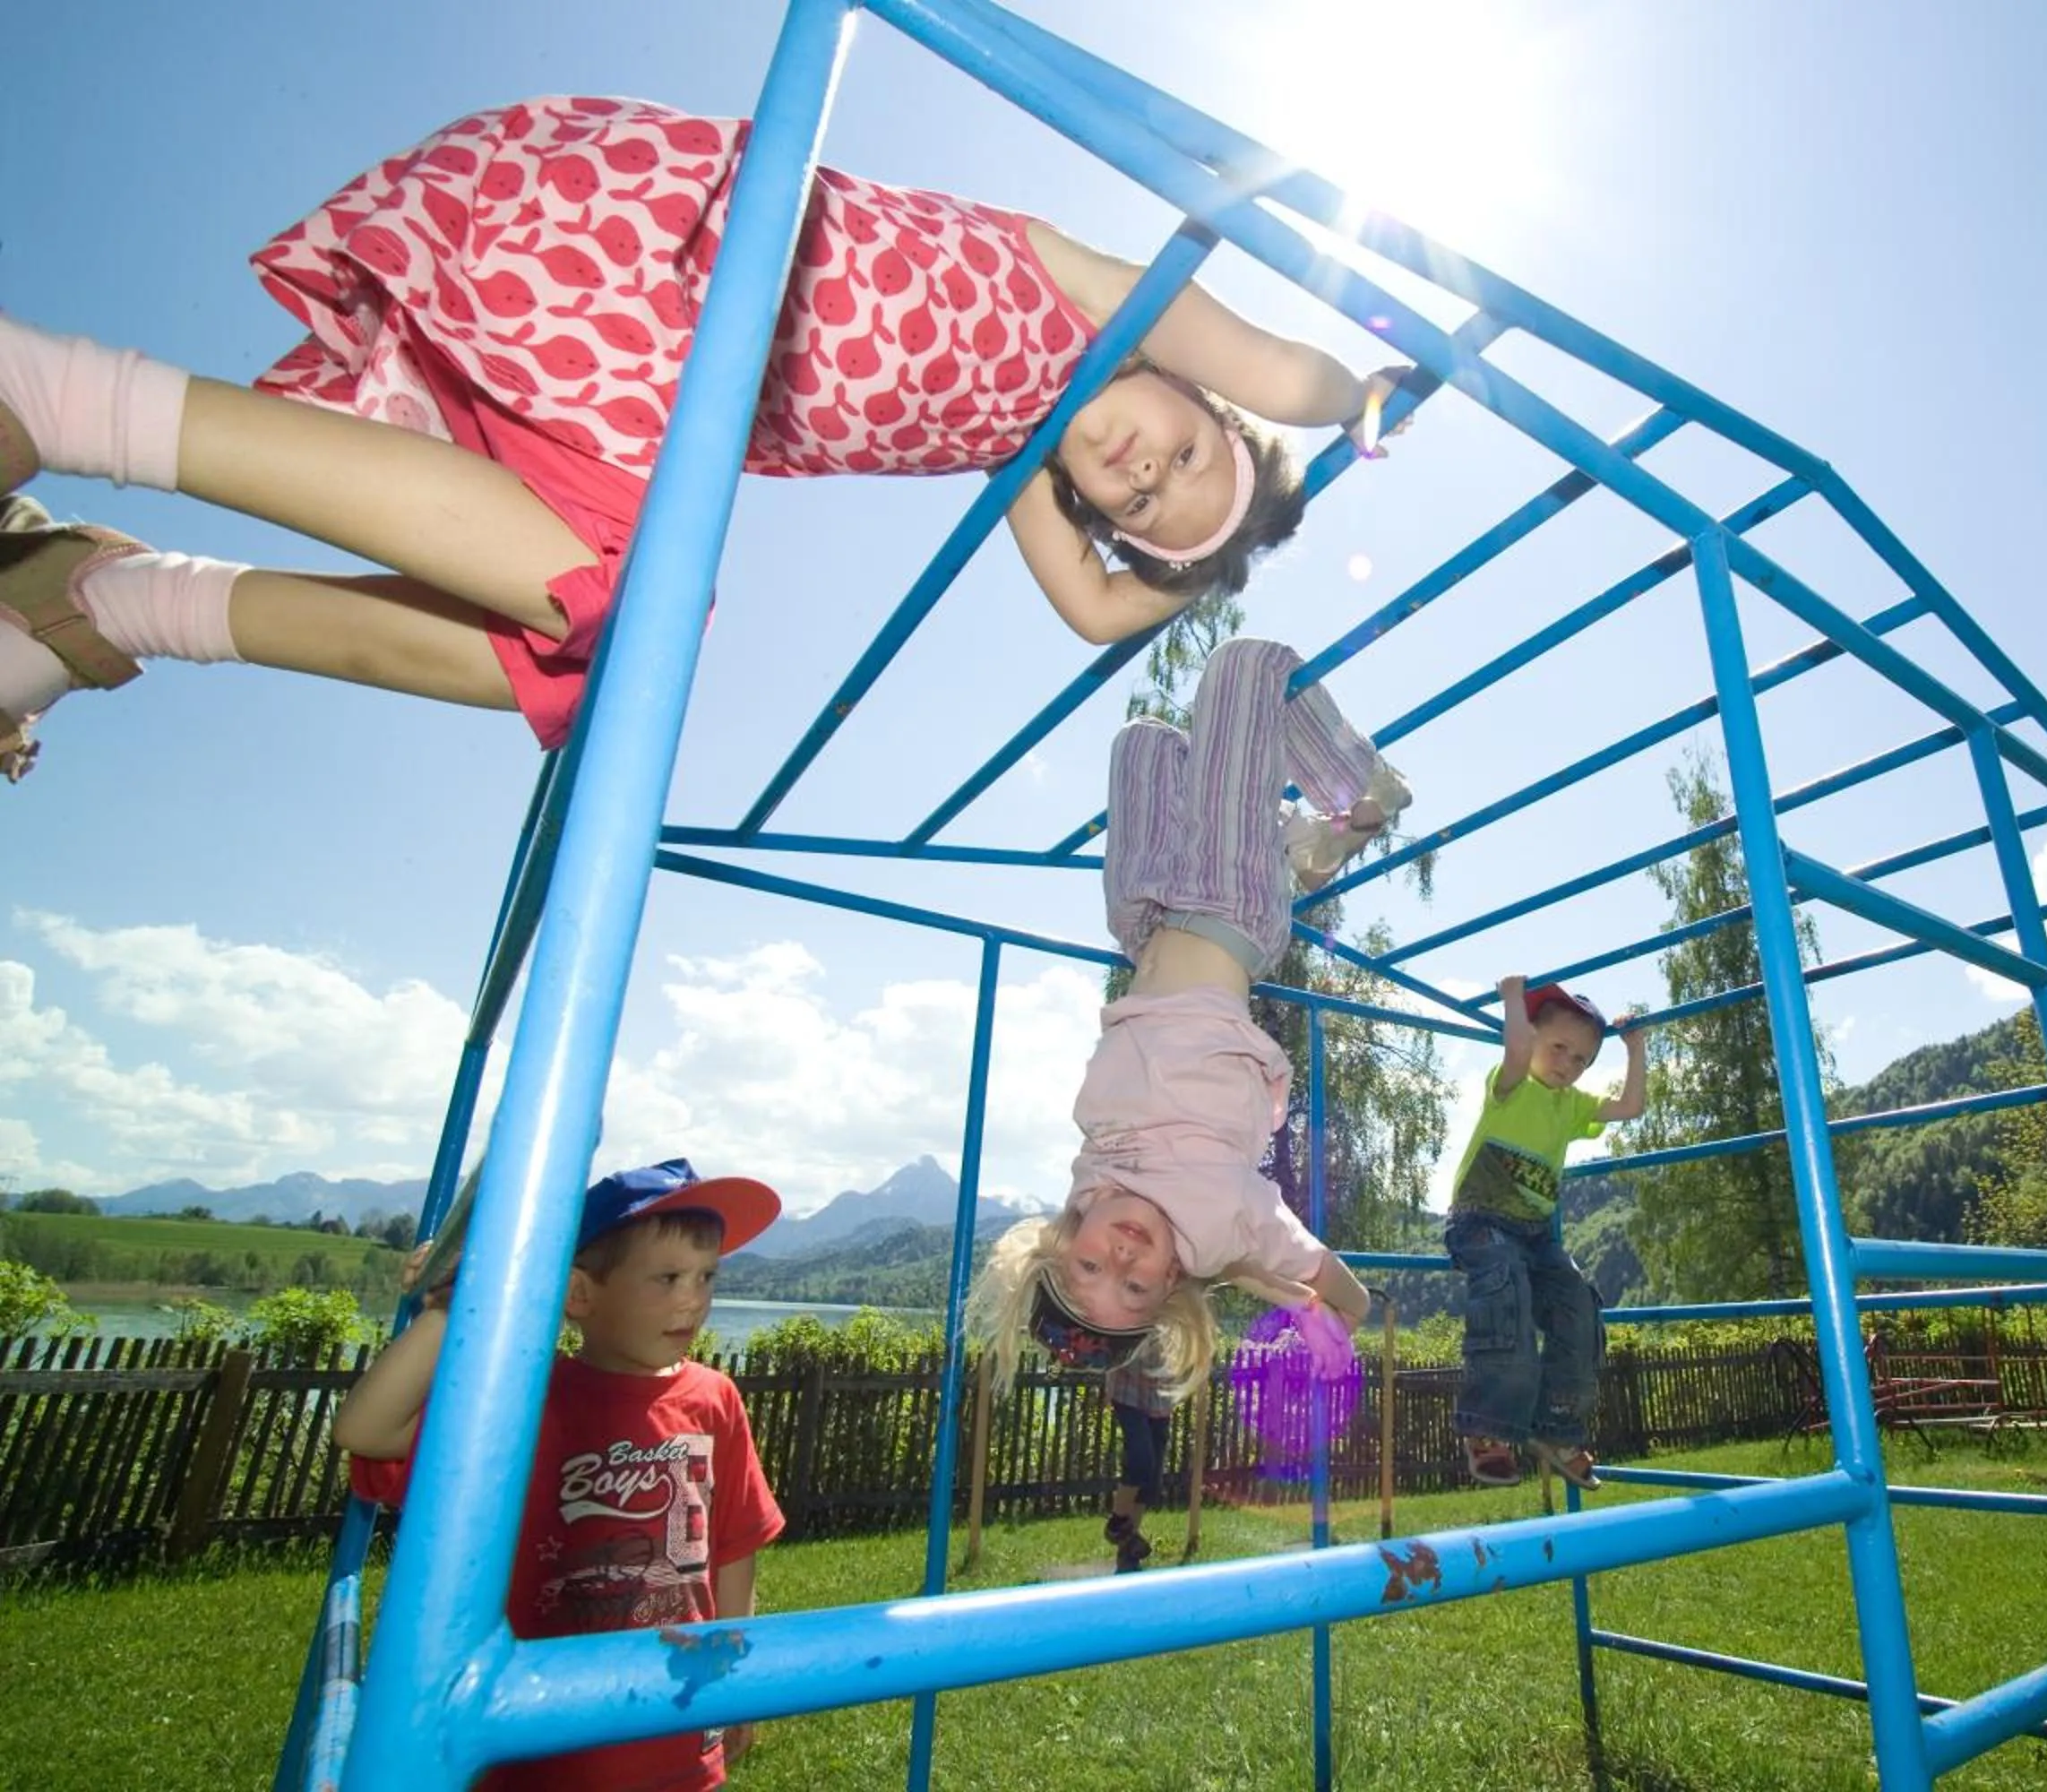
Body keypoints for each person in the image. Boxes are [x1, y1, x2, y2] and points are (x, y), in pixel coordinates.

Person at [0, 94, 1408, 780]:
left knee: (597, 651)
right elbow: (1279, 367)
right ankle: (57, 397)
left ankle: (115, 600)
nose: (1149, 472)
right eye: (1188, 448)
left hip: (634, 404)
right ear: (1195, 386)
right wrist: (1356, 400)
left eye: (1152, 508)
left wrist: (1186, 570)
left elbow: (1099, 621)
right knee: (624, 602)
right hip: (660, 259)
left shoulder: (1020, 451)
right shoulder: (1097, 295)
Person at [969, 635, 1396, 1400]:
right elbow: (1329, 1283)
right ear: (1171, 1278)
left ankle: (1290, 849)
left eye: (1091, 1267)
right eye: (1134, 1289)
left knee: (1145, 744)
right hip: (1229, 909)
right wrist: (1329, 1318)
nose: (1121, 1260)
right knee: (1247, 665)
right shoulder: (1228, 1221)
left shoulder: (1090, 1191)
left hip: (1145, 922)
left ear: (1066, 1242)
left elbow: (1198, 1269)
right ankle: (1361, 794)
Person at [332, 1159, 786, 1791]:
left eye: (707, 1276)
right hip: (535, 1744)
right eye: (668, 1277)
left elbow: (735, 1546)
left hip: (675, 1734)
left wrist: (737, 1680)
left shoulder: (716, 1399)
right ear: (577, 1294)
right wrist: (460, 1304)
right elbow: (365, 1430)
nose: (694, 1299)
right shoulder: (522, 1399)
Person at [1446, 977, 1647, 1490]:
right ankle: (1488, 1429)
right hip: (1481, 1221)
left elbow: (1630, 1108)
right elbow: (1514, 1048)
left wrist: (1635, 1047)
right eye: (1559, 1047)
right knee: (1504, 1288)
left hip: (1536, 1236)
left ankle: (1557, 1430)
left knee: (1578, 1303)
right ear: (1533, 1037)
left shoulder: (1572, 1105)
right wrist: (1512, 996)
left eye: (1581, 1059)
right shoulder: (1511, 1086)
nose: (1567, 1064)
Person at [1103, 1347, 1179, 1574]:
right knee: (1140, 1458)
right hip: (1128, 1385)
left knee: (1151, 1478)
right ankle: (1117, 1526)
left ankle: (1127, 1552)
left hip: (1160, 1390)